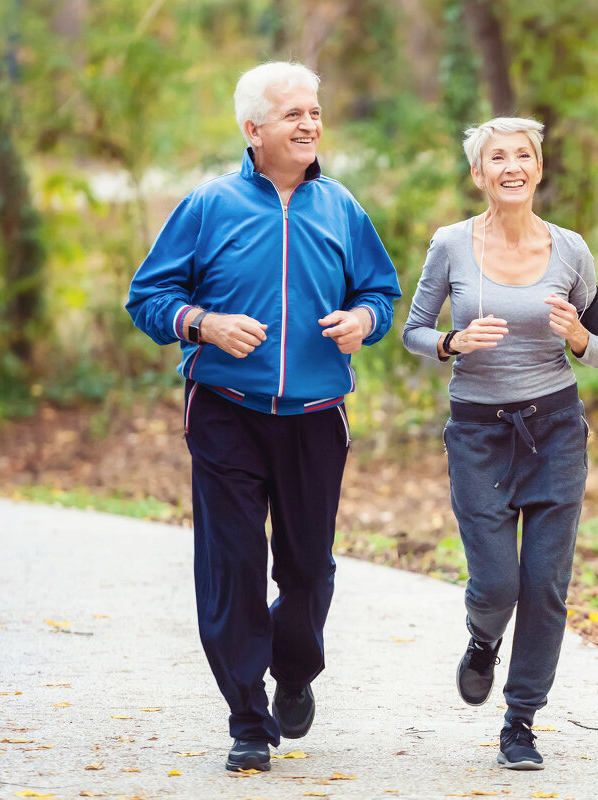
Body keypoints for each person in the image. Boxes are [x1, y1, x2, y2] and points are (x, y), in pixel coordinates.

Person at [126, 61, 401, 773]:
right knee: (234, 566)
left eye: (315, 112)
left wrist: (364, 320)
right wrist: (203, 324)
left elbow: (380, 292)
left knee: (308, 567)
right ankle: (247, 716)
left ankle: (295, 669)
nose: (310, 124)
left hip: (316, 415)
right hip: (227, 413)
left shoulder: (341, 206)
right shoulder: (209, 205)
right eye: (293, 114)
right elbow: (148, 298)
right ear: (253, 129)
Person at [402, 117, 598, 770]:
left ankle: (520, 721)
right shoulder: (451, 244)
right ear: (479, 174)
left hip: (555, 430)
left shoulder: (571, 250)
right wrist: (450, 342)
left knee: (545, 584)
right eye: (498, 157)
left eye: (524, 155)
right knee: (497, 584)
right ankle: (483, 638)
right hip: (478, 434)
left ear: (539, 169)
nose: (512, 166)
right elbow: (413, 329)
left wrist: (577, 337)